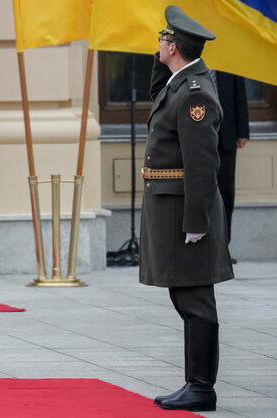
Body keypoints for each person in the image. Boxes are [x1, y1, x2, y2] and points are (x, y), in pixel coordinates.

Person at [140, 5, 234, 411]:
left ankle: (201, 387)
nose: (158, 42)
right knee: (184, 296)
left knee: (195, 298)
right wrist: (165, 59)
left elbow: (202, 164)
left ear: (174, 46)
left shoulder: (196, 95)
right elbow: (157, 91)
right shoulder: (180, 83)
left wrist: (196, 222)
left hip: (185, 212)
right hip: (171, 209)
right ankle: (194, 383)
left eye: (163, 39)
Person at [212, 70, 249, 258]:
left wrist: (243, 131)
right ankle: (203, 246)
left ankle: (222, 248)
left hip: (226, 136)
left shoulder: (229, 60)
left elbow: (239, 94)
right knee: (200, 192)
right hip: (199, 137)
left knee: (226, 193)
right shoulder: (193, 57)